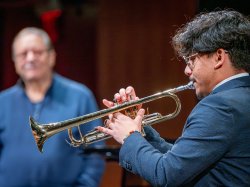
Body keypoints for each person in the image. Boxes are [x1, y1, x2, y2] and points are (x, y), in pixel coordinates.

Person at [97, 10, 250, 186]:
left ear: (218, 57)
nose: (187, 70)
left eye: (191, 60)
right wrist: (139, 129)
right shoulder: (241, 98)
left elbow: (166, 175)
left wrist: (129, 136)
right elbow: (185, 162)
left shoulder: (219, 106)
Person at [0, 27, 105, 187]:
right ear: (14, 62)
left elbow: (95, 152)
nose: (30, 58)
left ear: (52, 57)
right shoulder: (2, 102)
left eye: (37, 52)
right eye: (23, 54)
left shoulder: (80, 96)